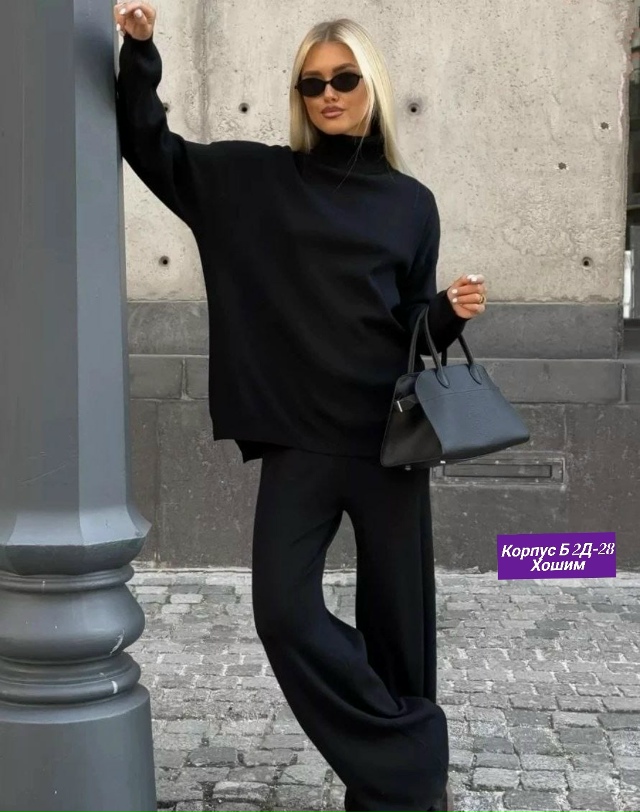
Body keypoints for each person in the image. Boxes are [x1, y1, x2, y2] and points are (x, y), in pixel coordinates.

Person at [113, 5, 488, 811]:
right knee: (283, 613)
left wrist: (447, 314)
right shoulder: (255, 181)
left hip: (390, 439)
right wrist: (140, 53)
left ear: (371, 86)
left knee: (400, 624)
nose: (328, 95)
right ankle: (413, 753)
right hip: (300, 440)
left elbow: (409, 323)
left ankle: (393, 795)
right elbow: (152, 149)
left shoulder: (411, 203)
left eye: (343, 79)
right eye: (311, 84)